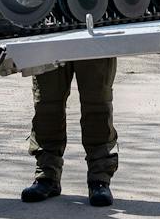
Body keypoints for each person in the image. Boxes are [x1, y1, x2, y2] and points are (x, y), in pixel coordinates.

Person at [20, 59, 119, 207]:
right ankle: (47, 175)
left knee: (97, 104)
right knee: (47, 105)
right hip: (48, 39)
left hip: (93, 39)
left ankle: (99, 180)